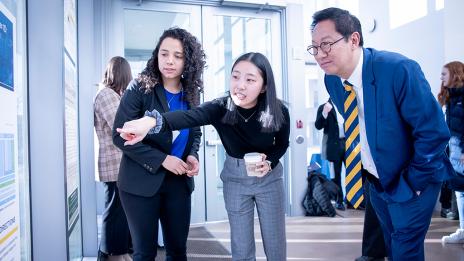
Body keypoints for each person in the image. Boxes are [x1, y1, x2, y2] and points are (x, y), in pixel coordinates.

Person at [309, 7, 453, 260]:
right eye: (314, 47)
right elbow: (362, 126)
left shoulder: (398, 70)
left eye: (327, 44)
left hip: (413, 180)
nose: (320, 54)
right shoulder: (332, 80)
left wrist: (413, 182)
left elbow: (434, 133)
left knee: (404, 248)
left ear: (353, 40)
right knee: (389, 244)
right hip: (376, 181)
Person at [116, 52, 290, 261]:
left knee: (275, 242)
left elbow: (281, 144)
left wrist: (270, 161)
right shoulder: (221, 107)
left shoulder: (278, 110)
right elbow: (189, 117)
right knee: (241, 247)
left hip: (269, 179)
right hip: (235, 179)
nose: (240, 85)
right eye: (235, 76)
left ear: (263, 86)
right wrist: (152, 122)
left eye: (250, 79)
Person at [112, 27, 205, 261]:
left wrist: (192, 155)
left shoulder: (191, 93)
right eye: (164, 54)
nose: (169, 61)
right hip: (139, 183)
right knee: (144, 253)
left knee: (177, 251)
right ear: (156, 56)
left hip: (179, 182)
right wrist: (163, 159)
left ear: (189, 61)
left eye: (178, 55)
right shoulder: (139, 88)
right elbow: (119, 135)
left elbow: (194, 132)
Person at [94, 56, 133, 261]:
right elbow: (121, 127)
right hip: (114, 164)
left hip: (117, 164)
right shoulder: (107, 95)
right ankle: (113, 254)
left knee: (118, 210)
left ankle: (116, 253)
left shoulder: (111, 95)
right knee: (115, 211)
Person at [438, 61, 464, 244]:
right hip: (452, 149)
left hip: (461, 149)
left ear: (455, 74)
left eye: (444, 74)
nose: (441, 77)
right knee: (460, 193)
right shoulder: (450, 97)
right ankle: (463, 230)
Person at [314, 98, 345, 210]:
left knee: (354, 171)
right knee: (336, 175)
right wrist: (325, 113)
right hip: (334, 146)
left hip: (350, 144)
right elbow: (318, 125)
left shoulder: (347, 104)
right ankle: (339, 200)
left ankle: (354, 200)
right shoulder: (324, 107)